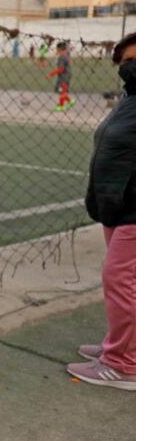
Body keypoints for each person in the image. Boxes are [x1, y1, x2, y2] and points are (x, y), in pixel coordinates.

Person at [68, 33, 135, 390]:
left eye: (135, 60)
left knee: (121, 282)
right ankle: (121, 347)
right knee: (126, 283)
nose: (128, 69)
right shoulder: (132, 98)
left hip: (135, 209)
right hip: (120, 205)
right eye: (124, 63)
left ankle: (124, 365)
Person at [47, 41, 74, 111]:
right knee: (62, 91)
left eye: (57, 49)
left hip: (63, 76)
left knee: (62, 91)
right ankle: (69, 102)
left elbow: (61, 69)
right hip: (68, 75)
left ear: (59, 49)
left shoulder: (61, 57)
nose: (56, 50)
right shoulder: (67, 55)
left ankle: (62, 106)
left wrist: (51, 74)